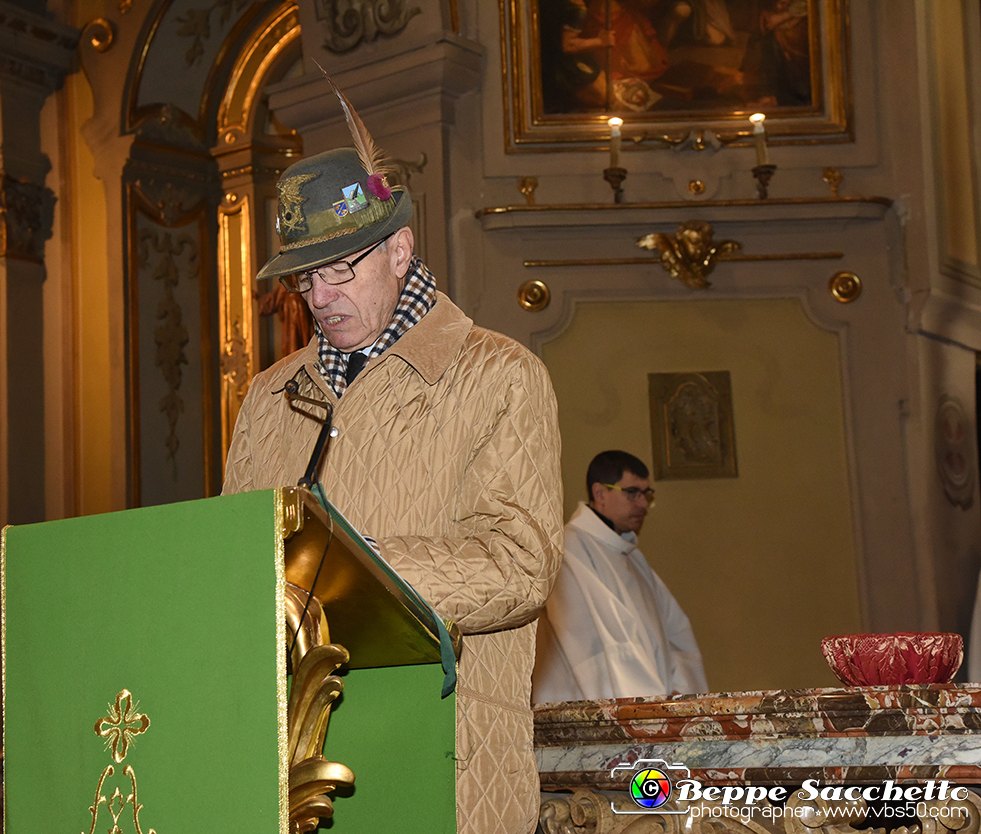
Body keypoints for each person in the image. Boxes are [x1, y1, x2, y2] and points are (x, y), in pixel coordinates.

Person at [222, 92, 564, 834]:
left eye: (340, 270)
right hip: (296, 766)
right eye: (305, 280)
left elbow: (520, 565)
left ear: (400, 250)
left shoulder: (498, 375)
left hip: (447, 761)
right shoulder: (269, 396)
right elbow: (235, 568)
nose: (320, 297)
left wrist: (358, 573)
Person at [532, 450, 707, 702]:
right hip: (589, 708)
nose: (643, 504)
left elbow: (676, 632)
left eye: (646, 494)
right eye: (632, 493)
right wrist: (650, 705)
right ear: (600, 493)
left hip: (656, 703)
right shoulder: (569, 549)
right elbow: (603, 645)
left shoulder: (632, 557)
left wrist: (679, 693)